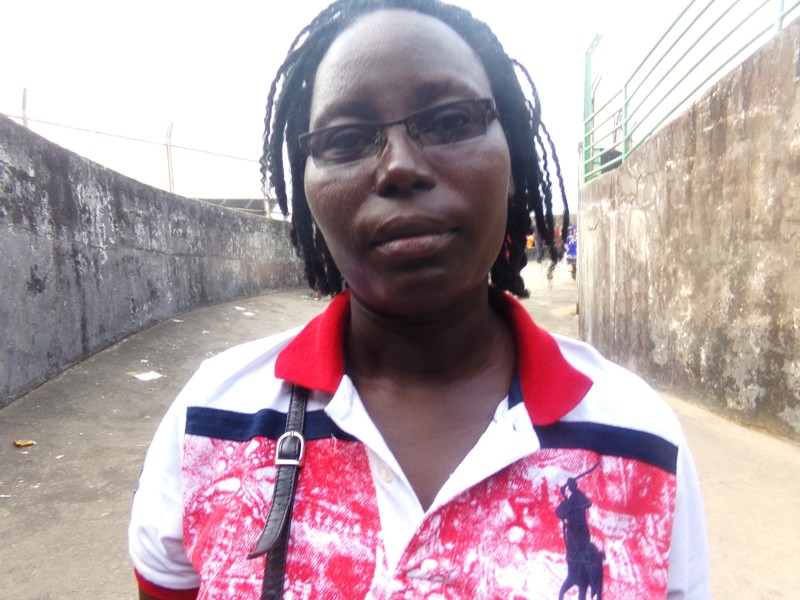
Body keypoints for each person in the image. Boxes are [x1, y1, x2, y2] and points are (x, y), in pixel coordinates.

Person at [129, 1, 709, 598]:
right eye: (347, 139)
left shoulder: (639, 439)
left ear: (512, 161)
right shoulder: (210, 421)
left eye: (451, 121)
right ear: (306, 189)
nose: (400, 167)